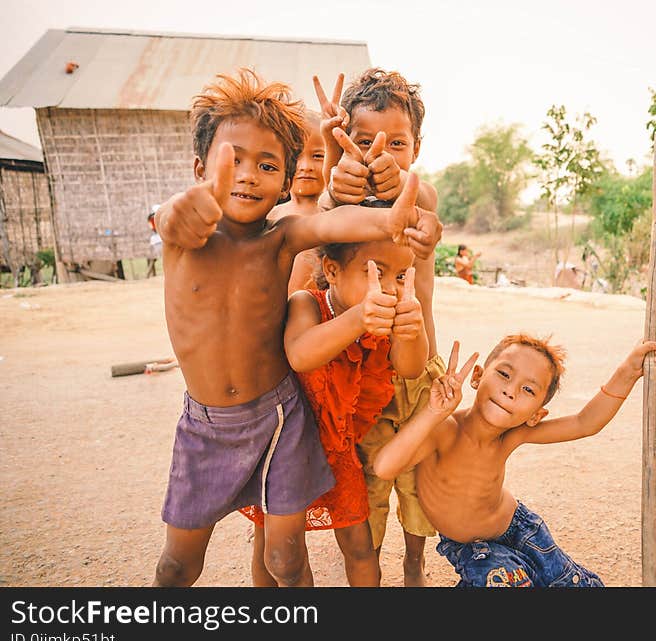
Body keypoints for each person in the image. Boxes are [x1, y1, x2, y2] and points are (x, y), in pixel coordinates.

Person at [149, 67, 441, 587]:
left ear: (284, 182)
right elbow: (171, 216)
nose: (245, 175)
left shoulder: (281, 237)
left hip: (280, 417)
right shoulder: (184, 236)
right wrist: (178, 209)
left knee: (285, 557)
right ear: (199, 167)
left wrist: (401, 218)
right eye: (231, 160)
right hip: (206, 426)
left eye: (265, 165)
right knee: (177, 566)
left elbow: (333, 223)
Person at [372, 334, 656, 587]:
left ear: (536, 415)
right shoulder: (444, 430)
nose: (510, 391)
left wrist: (629, 370)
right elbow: (385, 466)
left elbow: (584, 422)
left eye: (528, 389)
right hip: (472, 547)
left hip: (522, 529)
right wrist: (434, 413)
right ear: (477, 376)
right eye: (504, 374)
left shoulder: (511, 435)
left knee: (571, 583)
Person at [316, 68, 444, 586]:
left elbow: (426, 203)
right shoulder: (341, 199)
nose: (379, 153)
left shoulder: (421, 196)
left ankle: (414, 562)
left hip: (416, 373)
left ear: (417, 147)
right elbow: (323, 216)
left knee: (417, 483)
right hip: (361, 378)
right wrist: (332, 173)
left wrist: (405, 189)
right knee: (367, 485)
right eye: (364, 140)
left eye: (397, 142)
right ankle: (370, 567)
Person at [241, 239, 428, 586]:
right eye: (375, 272)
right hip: (285, 449)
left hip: (338, 451)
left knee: (359, 545)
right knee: (278, 550)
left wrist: (412, 329)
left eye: (400, 275)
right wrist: (361, 317)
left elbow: (412, 367)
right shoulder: (307, 303)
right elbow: (301, 354)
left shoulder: (388, 319)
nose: (389, 287)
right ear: (332, 270)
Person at [267, 110, 325, 295]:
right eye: (296, 156)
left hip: (319, 318)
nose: (305, 166)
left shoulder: (333, 214)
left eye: (317, 156)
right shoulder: (271, 215)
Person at [146, 204, 163, 277]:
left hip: (157, 239)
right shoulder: (153, 218)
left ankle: (148, 274)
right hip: (159, 239)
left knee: (156, 258)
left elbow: (152, 228)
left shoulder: (150, 218)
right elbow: (153, 228)